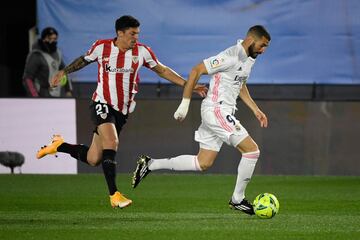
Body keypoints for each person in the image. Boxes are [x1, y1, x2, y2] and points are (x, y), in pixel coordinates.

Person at [36, 15, 207, 208]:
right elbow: (84, 60)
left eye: (137, 34)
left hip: (121, 112)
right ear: (120, 33)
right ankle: (114, 195)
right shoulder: (102, 47)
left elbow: (163, 70)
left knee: (94, 158)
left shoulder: (142, 52)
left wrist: (189, 85)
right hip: (101, 103)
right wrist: (64, 71)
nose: (136, 38)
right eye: (132, 34)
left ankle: (59, 145)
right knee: (112, 141)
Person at [132, 25, 271, 215]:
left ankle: (150, 164)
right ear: (250, 40)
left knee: (203, 162)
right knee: (252, 151)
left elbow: (240, 82)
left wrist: (255, 109)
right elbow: (196, 70)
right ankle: (237, 199)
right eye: (262, 45)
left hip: (222, 111)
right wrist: (185, 103)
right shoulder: (230, 56)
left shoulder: (249, 59)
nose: (263, 50)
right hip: (217, 110)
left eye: (266, 47)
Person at [23, 27, 73, 97]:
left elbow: (64, 71)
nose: (52, 41)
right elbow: (28, 79)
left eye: (55, 39)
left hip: (56, 94)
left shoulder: (57, 53)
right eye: (49, 38)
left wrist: (68, 90)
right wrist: (35, 96)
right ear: (43, 39)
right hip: (41, 95)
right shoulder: (36, 55)